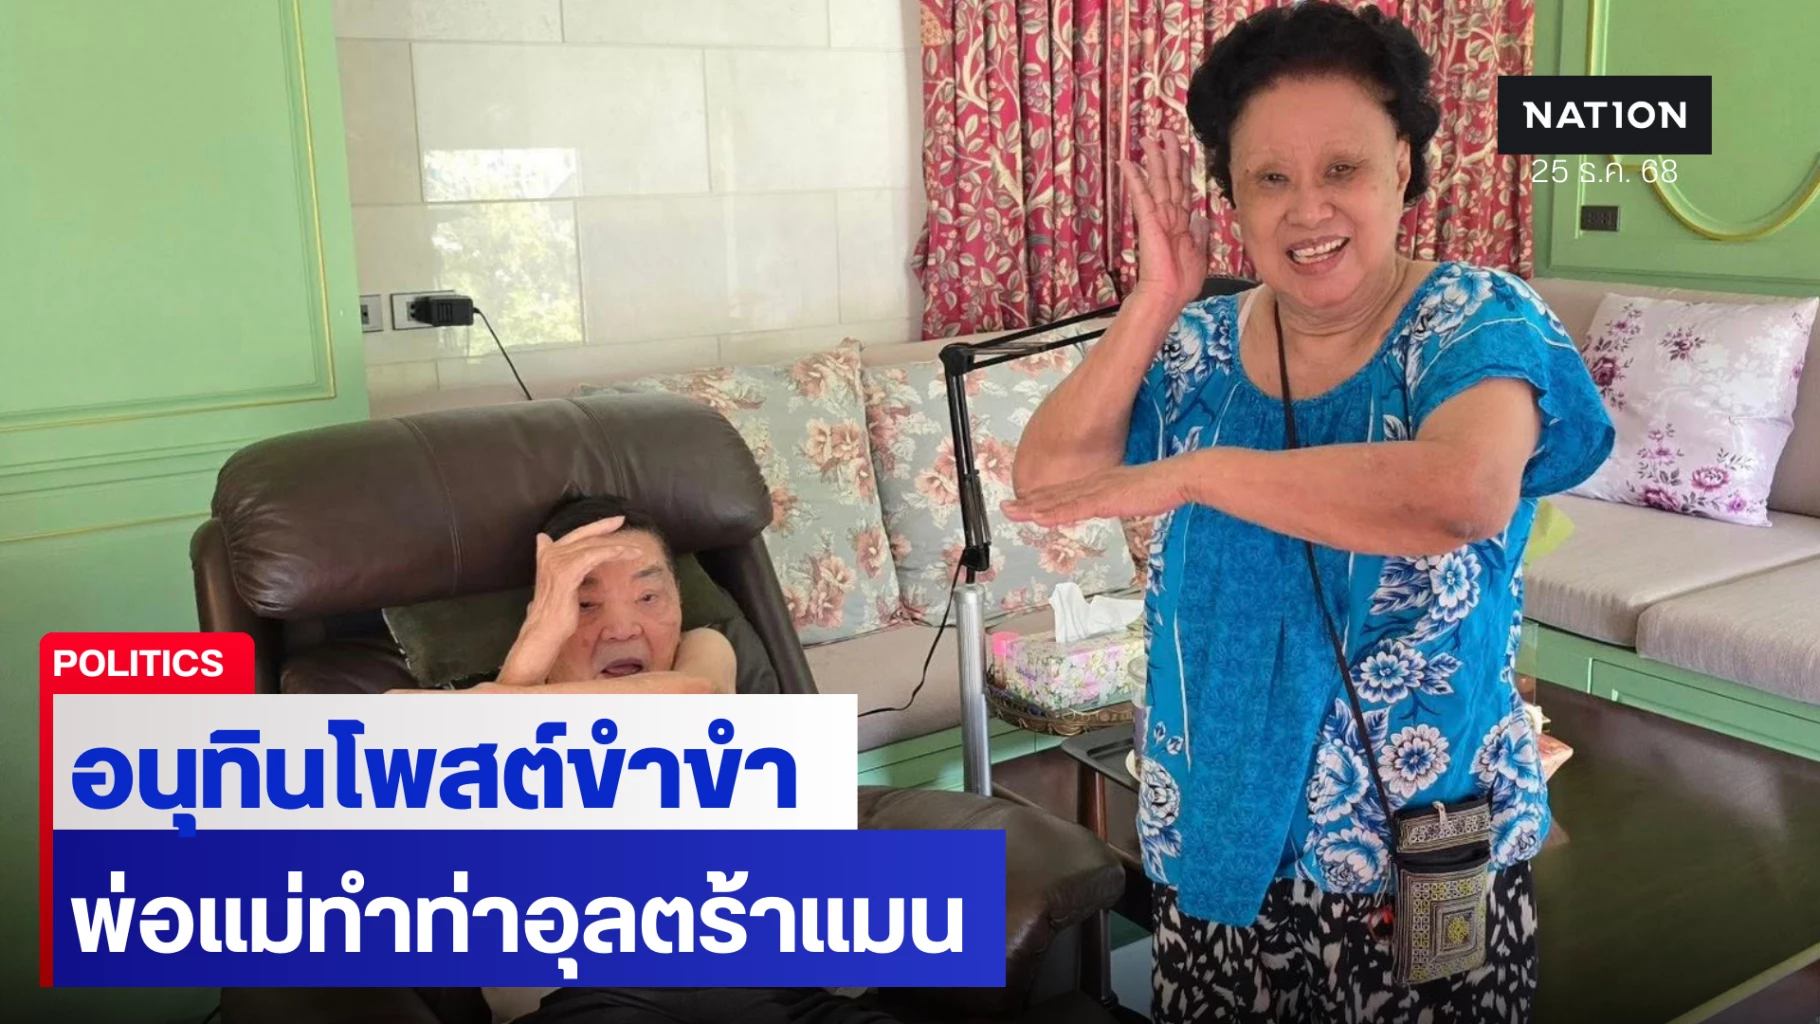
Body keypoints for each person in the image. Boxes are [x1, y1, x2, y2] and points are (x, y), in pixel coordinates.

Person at [1005, 3, 1613, 1021]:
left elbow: (1458, 494)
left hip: (1413, 842)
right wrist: (1155, 298)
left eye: (1342, 168)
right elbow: (1049, 475)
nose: (1306, 208)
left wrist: (1197, 474)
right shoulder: (1199, 344)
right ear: (1231, 197)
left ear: (1402, 167)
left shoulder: (1472, 318)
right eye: (1269, 179)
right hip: (1217, 827)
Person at [396, 494, 736, 695]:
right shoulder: (516, 675)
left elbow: (696, 699)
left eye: (648, 597)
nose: (622, 630)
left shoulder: (701, 646)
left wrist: (489, 705)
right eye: (585, 604)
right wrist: (533, 648)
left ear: (678, 597)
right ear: (546, 616)